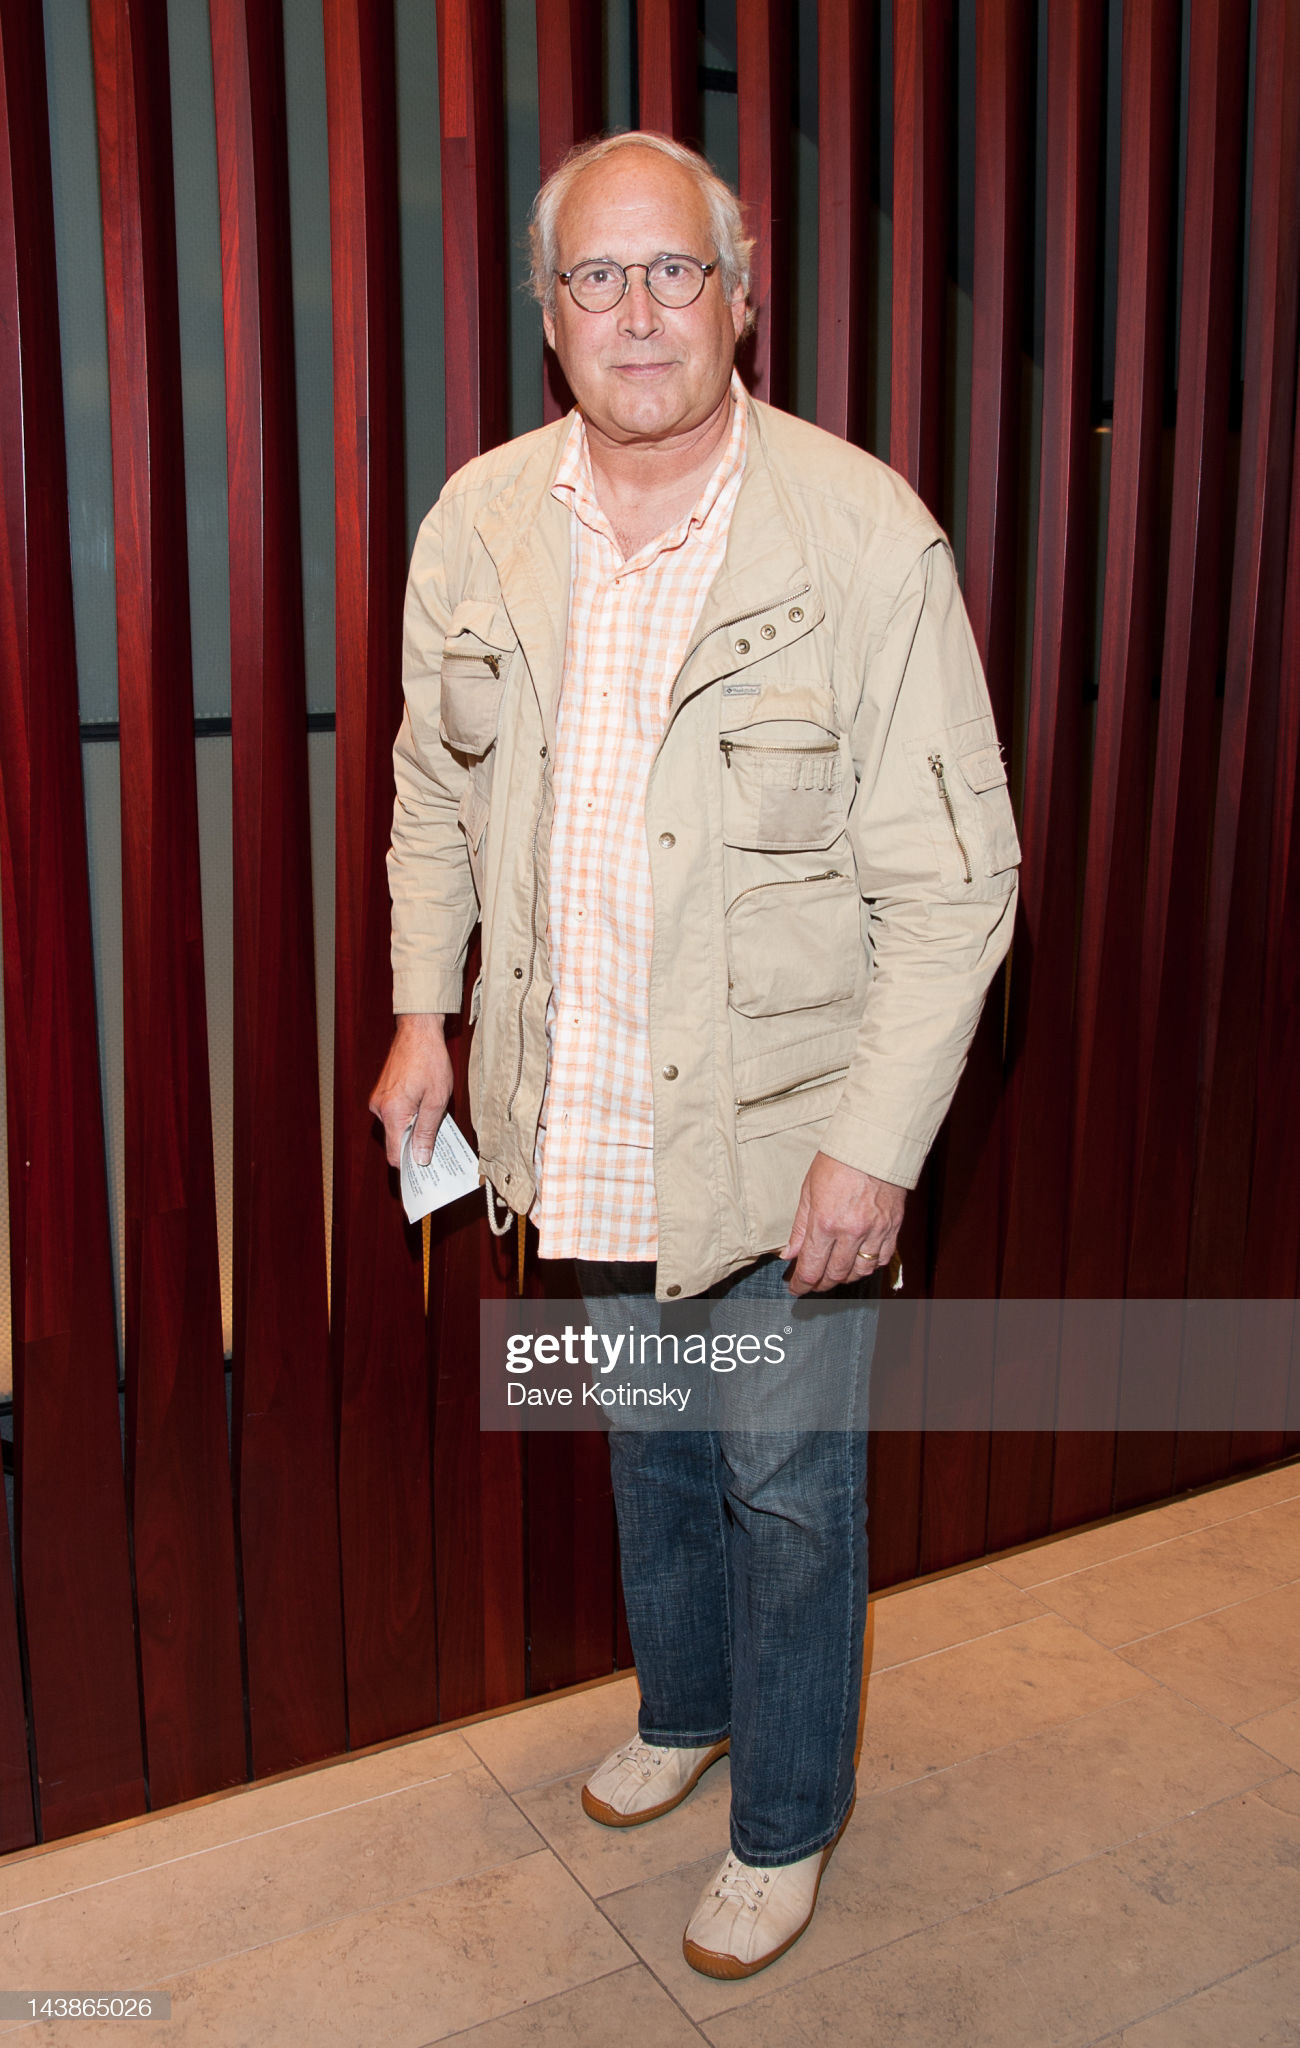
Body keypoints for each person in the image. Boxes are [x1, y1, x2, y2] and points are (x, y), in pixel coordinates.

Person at [370, 131, 1019, 1977]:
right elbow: (433, 790)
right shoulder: (480, 521)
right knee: (650, 1446)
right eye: (599, 276)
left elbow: (960, 884)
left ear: (742, 298)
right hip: (575, 1107)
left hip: (783, 1133)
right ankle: (689, 1708)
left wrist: (875, 1146)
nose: (640, 311)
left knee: (787, 1491)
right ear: (549, 314)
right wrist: (424, 1010)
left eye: (678, 272)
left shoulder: (862, 533)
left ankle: (787, 1815)